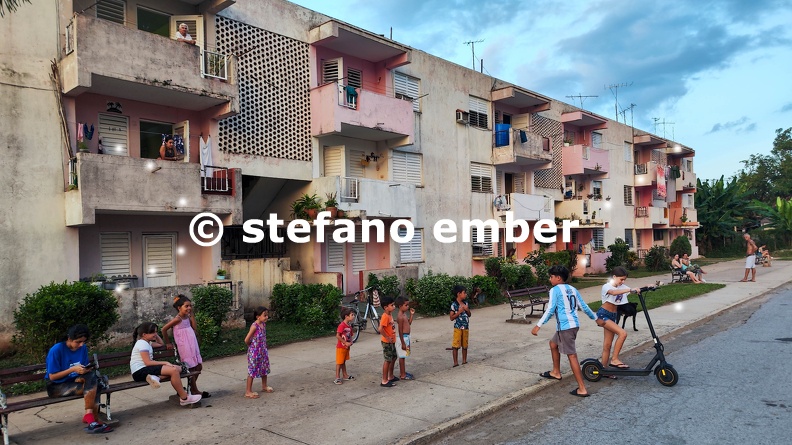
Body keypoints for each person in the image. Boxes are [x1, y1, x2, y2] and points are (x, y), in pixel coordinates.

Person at [531, 265, 597, 397]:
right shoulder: (572, 289)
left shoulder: (555, 290)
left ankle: (582, 388)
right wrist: (594, 317)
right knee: (553, 344)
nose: (550, 279)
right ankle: (556, 372)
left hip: (566, 327)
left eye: (551, 277)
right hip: (573, 326)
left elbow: (550, 309)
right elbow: (583, 306)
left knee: (572, 355)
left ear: (558, 278)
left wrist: (538, 325)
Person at [44, 324, 113, 434]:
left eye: (83, 342)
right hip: (56, 386)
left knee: (94, 379)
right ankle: (92, 419)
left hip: (74, 381)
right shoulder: (56, 350)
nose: (81, 345)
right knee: (96, 385)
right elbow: (52, 376)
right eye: (78, 342)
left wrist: (86, 370)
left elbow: (84, 367)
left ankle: (90, 417)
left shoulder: (82, 348)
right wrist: (72, 370)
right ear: (69, 339)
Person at [130, 322, 202, 405]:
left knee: (179, 368)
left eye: (156, 332)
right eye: (153, 332)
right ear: (144, 334)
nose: (155, 334)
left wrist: (155, 335)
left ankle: (156, 377)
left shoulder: (147, 342)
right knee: (174, 370)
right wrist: (165, 362)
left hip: (144, 370)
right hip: (140, 372)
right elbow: (147, 362)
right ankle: (184, 398)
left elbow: (161, 344)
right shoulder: (142, 344)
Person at [162, 295, 210, 398]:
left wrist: (191, 315)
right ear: (179, 308)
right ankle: (195, 390)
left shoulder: (187, 317)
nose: (189, 308)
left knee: (198, 366)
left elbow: (194, 328)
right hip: (184, 346)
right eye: (186, 306)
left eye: (190, 306)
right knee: (191, 368)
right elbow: (164, 329)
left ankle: (192, 388)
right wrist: (168, 342)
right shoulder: (177, 319)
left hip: (192, 344)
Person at [597, 267, 639, 373]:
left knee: (607, 345)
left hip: (613, 315)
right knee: (622, 333)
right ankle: (614, 359)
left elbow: (632, 290)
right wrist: (629, 289)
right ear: (614, 277)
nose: (623, 282)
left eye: (624, 280)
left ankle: (604, 370)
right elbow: (613, 292)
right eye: (621, 279)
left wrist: (647, 287)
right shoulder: (606, 286)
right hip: (603, 315)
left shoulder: (623, 286)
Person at [244, 306, 272, 398]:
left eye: (267, 315)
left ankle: (264, 386)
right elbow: (246, 340)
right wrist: (252, 347)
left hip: (263, 351)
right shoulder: (254, 326)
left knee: (264, 368)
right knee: (252, 370)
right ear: (258, 316)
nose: (266, 317)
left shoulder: (263, 325)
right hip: (255, 352)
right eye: (265, 315)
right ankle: (248, 391)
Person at [379, 296, 398, 387]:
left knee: (394, 357)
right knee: (387, 360)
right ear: (385, 307)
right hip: (387, 342)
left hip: (392, 341)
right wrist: (387, 337)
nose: (394, 306)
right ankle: (384, 380)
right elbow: (380, 329)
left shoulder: (390, 315)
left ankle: (390, 376)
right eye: (392, 305)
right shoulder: (385, 316)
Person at [449, 285, 471, 368]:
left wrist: (467, 309)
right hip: (457, 327)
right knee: (456, 345)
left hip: (465, 327)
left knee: (465, 344)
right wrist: (459, 312)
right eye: (464, 293)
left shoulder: (465, 303)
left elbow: (469, 314)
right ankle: (455, 362)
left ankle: (464, 360)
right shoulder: (454, 305)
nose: (465, 294)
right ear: (459, 294)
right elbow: (451, 317)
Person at [334, 307, 355, 385]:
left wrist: (350, 342)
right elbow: (338, 335)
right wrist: (345, 342)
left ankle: (345, 375)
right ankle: (337, 377)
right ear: (346, 316)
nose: (353, 316)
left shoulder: (349, 326)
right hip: (341, 347)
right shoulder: (342, 325)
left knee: (343, 361)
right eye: (352, 315)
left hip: (346, 347)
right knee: (339, 362)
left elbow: (350, 336)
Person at [395, 297, 415, 380]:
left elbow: (409, 323)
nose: (407, 307)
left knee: (404, 355)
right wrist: (402, 343)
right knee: (402, 357)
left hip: (406, 337)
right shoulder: (400, 317)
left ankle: (403, 372)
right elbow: (399, 330)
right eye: (406, 305)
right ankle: (402, 374)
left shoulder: (404, 315)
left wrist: (411, 315)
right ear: (400, 306)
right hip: (403, 337)